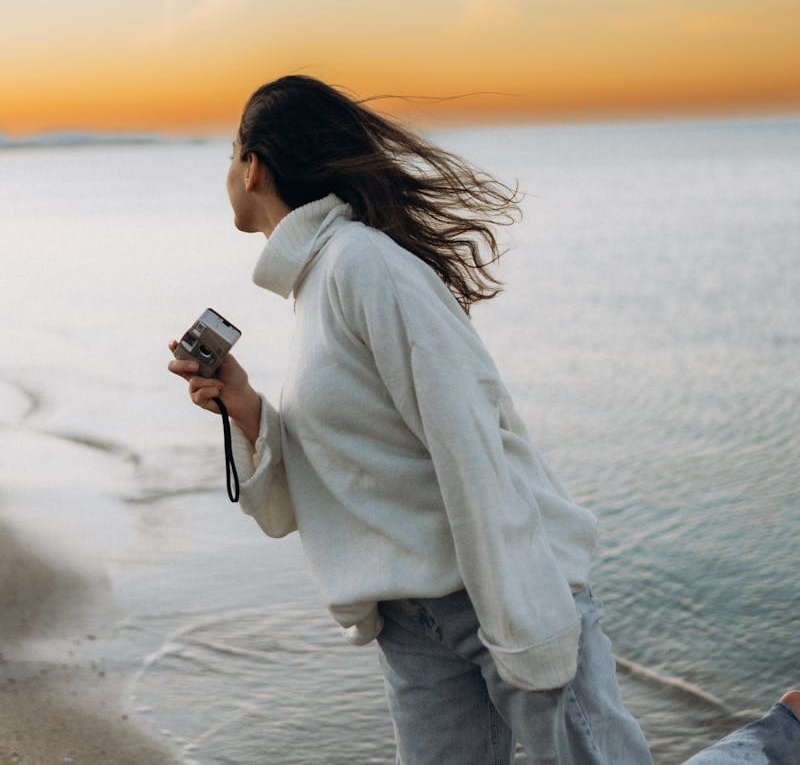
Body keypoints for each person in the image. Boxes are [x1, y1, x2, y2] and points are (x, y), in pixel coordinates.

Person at [168, 75, 799, 764]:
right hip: (411, 622)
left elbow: (465, 437)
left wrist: (521, 620)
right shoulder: (317, 284)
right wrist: (248, 407)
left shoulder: (364, 265)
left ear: (254, 164)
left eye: (230, 152)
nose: (227, 169)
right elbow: (357, 463)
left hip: (499, 594)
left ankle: (776, 740)